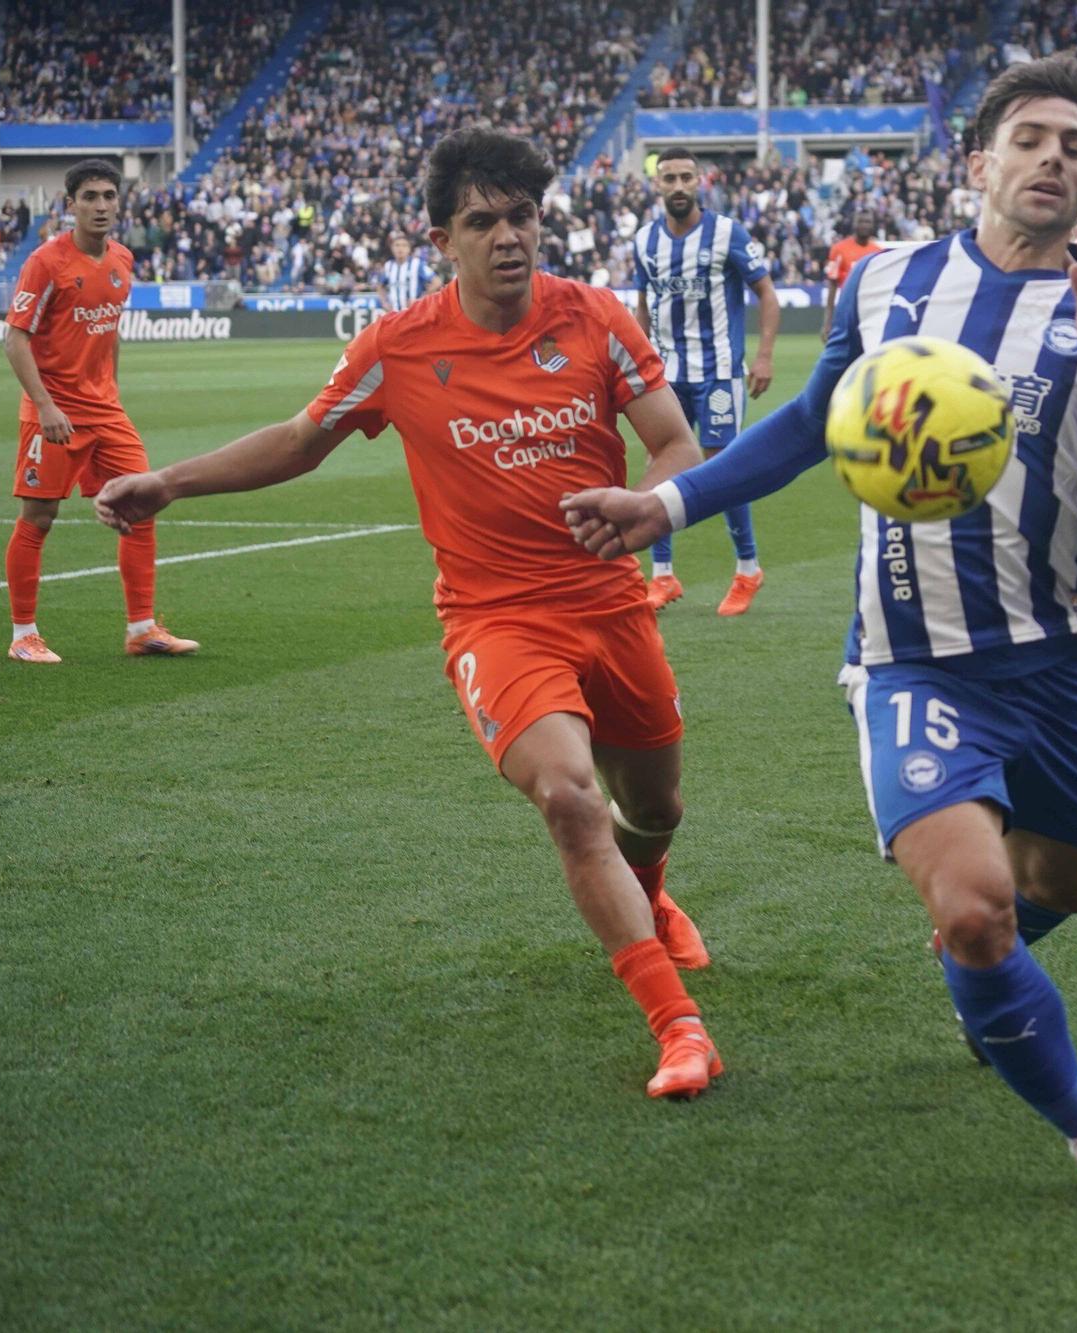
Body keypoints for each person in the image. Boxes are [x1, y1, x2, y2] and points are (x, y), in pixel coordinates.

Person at [563, 54, 1077, 1217]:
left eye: (1074, 143)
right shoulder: (889, 284)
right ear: (979, 164)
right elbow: (808, 425)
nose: (1051, 158)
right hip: (910, 660)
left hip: (1057, 667)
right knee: (972, 905)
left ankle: (990, 970)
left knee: (1062, 882)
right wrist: (664, 506)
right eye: (1029, 138)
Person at [94, 129, 726, 1100]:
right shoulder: (400, 344)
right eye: (483, 220)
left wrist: (648, 504)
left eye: (522, 216)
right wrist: (169, 482)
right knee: (566, 796)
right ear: (441, 238)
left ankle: (648, 891)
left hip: (609, 606)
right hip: (496, 619)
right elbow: (305, 440)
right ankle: (677, 1027)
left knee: (655, 807)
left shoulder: (596, 318)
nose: (507, 236)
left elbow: (677, 444)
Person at [2, 158, 198, 663]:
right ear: (70, 205)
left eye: (109, 196)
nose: (101, 206)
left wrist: (111, 391)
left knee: (144, 501)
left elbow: (107, 334)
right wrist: (44, 405)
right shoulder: (47, 262)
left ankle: (142, 629)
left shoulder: (123, 260)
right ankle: (23, 634)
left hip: (106, 412)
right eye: (90, 197)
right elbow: (15, 339)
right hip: (55, 413)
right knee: (39, 517)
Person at [631, 148, 781, 616]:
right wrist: (641, 358)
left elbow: (766, 293)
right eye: (669, 178)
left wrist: (763, 355)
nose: (678, 186)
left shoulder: (726, 233)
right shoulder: (644, 241)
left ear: (700, 182)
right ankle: (663, 576)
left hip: (718, 372)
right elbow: (642, 303)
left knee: (722, 466)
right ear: (656, 185)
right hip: (667, 373)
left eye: (686, 177)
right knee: (663, 462)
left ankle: (747, 569)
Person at [822, 208, 883, 341]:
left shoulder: (878, 252)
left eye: (868, 222)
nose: (864, 225)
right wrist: (827, 322)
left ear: (873, 225)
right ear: (854, 224)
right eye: (861, 221)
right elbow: (832, 285)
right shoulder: (838, 249)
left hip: (870, 311)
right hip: (847, 311)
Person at [379, 233, 439, 311]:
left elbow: (437, 282)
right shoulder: (388, 265)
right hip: (395, 314)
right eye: (397, 245)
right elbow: (380, 286)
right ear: (392, 248)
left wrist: (421, 300)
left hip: (414, 313)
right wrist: (384, 303)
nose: (400, 248)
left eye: (404, 245)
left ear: (409, 249)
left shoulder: (417, 264)